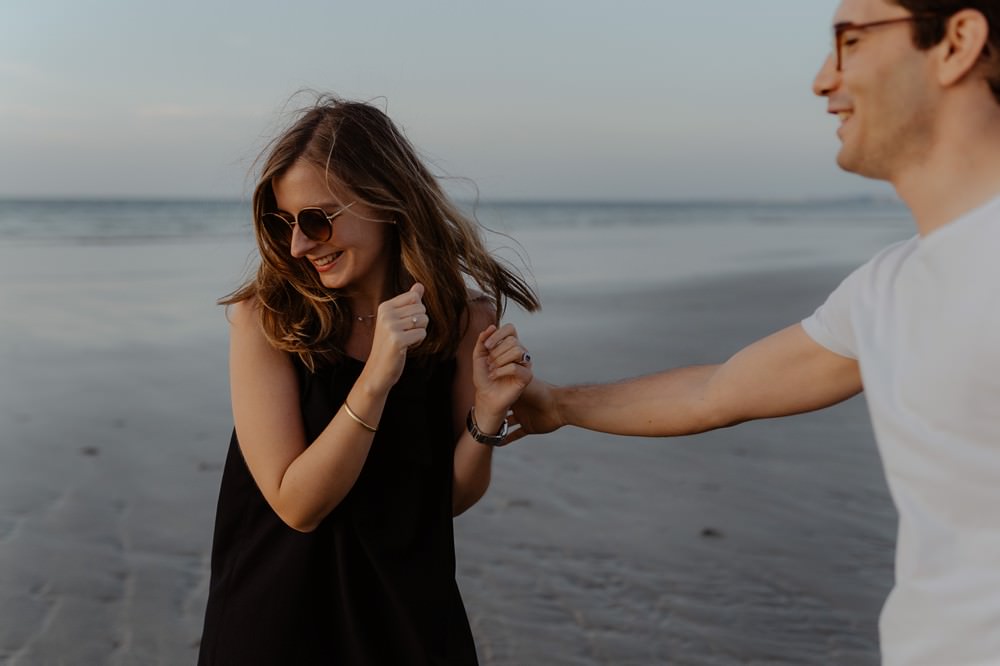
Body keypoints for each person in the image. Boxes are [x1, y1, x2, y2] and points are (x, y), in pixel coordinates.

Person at [511, 1, 1000, 664]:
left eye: (849, 41)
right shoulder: (888, 286)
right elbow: (717, 391)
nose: (823, 80)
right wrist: (558, 404)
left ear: (957, 43)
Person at [198, 96, 540, 665]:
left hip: (409, 620)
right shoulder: (267, 321)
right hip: (276, 627)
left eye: (316, 219)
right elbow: (297, 505)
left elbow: (448, 501)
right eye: (281, 224)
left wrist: (486, 416)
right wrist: (377, 378)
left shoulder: (463, 321)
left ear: (386, 201)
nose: (299, 245)